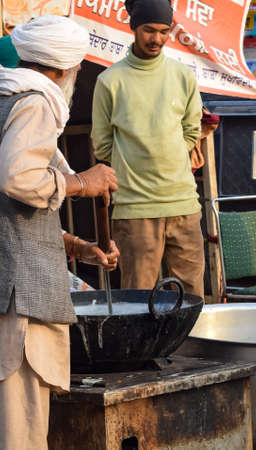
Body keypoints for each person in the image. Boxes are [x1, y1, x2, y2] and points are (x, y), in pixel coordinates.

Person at [0, 15, 120, 449]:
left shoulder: (8, 96)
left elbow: (12, 217)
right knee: (21, 431)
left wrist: (78, 247)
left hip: (15, 288)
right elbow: (16, 179)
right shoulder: (36, 101)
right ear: (65, 68)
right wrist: (80, 182)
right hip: (21, 302)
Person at [91, 0, 204, 297]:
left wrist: (173, 155)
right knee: (138, 302)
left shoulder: (183, 76)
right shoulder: (109, 81)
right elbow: (101, 145)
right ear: (133, 27)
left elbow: (193, 129)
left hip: (184, 206)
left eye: (164, 31)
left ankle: (195, 347)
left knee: (192, 299)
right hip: (134, 210)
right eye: (149, 30)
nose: (156, 39)